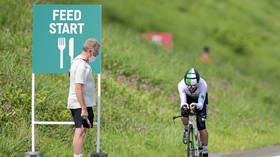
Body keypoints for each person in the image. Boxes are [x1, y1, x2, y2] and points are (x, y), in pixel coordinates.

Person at [67, 38, 100, 157]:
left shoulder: (76, 61)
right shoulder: (81, 65)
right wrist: (84, 108)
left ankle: (79, 154)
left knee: (83, 129)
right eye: (96, 52)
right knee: (80, 130)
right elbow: (78, 87)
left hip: (84, 102)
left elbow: (70, 74)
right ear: (90, 50)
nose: (97, 54)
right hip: (80, 103)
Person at [178, 67, 208, 157]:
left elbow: (201, 104)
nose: (191, 88)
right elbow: (183, 101)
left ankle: (205, 151)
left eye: (194, 86)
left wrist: (195, 105)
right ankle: (186, 129)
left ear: (198, 83)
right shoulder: (181, 85)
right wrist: (184, 106)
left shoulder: (203, 84)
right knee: (183, 111)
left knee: (202, 126)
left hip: (199, 101)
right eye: (189, 86)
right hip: (188, 98)